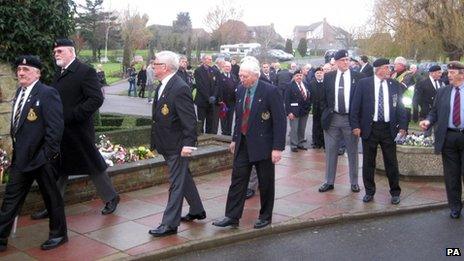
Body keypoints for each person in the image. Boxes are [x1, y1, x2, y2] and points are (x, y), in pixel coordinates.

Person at [31, 39, 119, 220]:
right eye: (55, 52)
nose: (56, 54)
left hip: (79, 130)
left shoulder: (85, 71)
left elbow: (95, 99)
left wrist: (72, 116)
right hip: (59, 130)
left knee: (93, 165)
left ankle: (111, 198)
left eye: (60, 51)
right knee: (58, 169)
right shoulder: (59, 73)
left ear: (71, 52)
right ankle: (53, 205)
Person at [0, 56, 67, 251]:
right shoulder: (19, 92)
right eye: (20, 69)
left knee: (51, 198)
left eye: (26, 69)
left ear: (37, 73)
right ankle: (1, 237)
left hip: (42, 159)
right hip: (21, 158)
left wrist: (47, 156)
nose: (21, 72)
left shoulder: (47, 93)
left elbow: (55, 128)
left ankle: (59, 234)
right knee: (11, 198)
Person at [212, 56, 286, 229]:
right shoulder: (240, 90)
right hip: (243, 143)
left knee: (265, 182)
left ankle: (265, 216)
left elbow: (280, 121)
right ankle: (232, 215)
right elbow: (239, 117)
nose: (241, 79)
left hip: (264, 145)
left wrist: (277, 148)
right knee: (237, 180)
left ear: (255, 75)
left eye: (245, 76)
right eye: (241, 76)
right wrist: (234, 139)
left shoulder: (270, 91)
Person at [149, 51, 206, 236]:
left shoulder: (179, 87)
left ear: (164, 67)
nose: (152, 66)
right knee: (183, 177)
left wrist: (188, 145)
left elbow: (189, 121)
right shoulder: (164, 85)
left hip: (177, 146)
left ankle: (169, 224)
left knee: (175, 183)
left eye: (155, 63)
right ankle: (197, 209)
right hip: (167, 143)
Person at [350, 58, 408, 205]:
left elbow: (400, 107)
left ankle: (395, 192)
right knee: (369, 162)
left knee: (391, 162)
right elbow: (355, 106)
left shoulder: (394, 84)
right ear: (378, 69)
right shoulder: (364, 83)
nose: (390, 70)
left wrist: (403, 127)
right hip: (370, 128)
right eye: (387, 67)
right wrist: (355, 126)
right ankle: (369, 191)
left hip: (389, 129)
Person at [419, 61, 464, 219]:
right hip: (449, 137)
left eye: (452, 72)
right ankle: (455, 207)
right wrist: (428, 121)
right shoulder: (443, 91)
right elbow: (434, 112)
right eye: (448, 72)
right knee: (451, 176)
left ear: (462, 74)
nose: (448, 75)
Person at [319, 49, 364, 193]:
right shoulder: (329, 77)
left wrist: (358, 121)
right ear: (336, 62)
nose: (346, 62)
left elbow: (362, 100)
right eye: (343, 60)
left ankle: (354, 182)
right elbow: (323, 98)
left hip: (350, 120)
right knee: (331, 151)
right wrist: (326, 113)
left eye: (347, 60)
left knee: (352, 152)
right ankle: (329, 181)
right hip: (333, 118)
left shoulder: (359, 77)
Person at [286, 69, 311, 152]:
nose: (299, 77)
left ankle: (300, 143)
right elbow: (286, 100)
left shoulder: (306, 84)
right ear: (294, 77)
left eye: (300, 75)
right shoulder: (290, 85)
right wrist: (289, 112)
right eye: (297, 75)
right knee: (294, 129)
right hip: (294, 111)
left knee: (302, 128)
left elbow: (308, 96)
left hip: (304, 111)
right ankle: (294, 145)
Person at [194, 54, 220, 134]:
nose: (210, 61)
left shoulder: (214, 70)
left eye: (211, 59)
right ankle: (200, 138)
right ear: (204, 60)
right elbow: (200, 86)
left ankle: (209, 138)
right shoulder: (198, 71)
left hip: (212, 101)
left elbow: (217, 85)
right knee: (201, 121)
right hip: (202, 101)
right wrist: (208, 97)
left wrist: (214, 96)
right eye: (209, 59)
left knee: (210, 121)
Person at [216, 61, 239, 136]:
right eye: (226, 66)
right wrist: (220, 100)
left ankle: (229, 135)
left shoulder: (234, 77)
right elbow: (217, 89)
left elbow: (236, 88)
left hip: (232, 102)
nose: (227, 68)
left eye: (229, 67)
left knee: (230, 119)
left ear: (231, 68)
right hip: (223, 102)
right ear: (223, 67)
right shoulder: (219, 76)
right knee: (223, 120)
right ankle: (224, 135)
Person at [309, 67, 325, 149]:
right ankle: (316, 142)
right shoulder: (311, 83)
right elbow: (310, 97)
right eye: (317, 73)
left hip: (324, 109)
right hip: (316, 109)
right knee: (316, 126)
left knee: (324, 126)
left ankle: (324, 142)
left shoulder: (326, 83)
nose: (319, 74)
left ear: (323, 74)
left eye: (320, 73)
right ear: (315, 75)